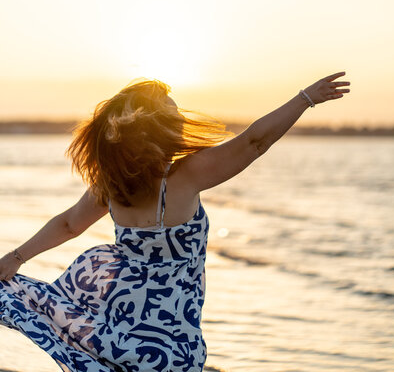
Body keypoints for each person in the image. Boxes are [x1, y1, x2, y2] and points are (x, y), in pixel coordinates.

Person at [0, 72, 350, 371]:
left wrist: (14, 259)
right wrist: (305, 98)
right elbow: (254, 142)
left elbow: (68, 225)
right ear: (156, 127)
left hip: (119, 332)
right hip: (173, 341)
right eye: (173, 112)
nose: (181, 117)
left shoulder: (114, 185)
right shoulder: (188, 174)